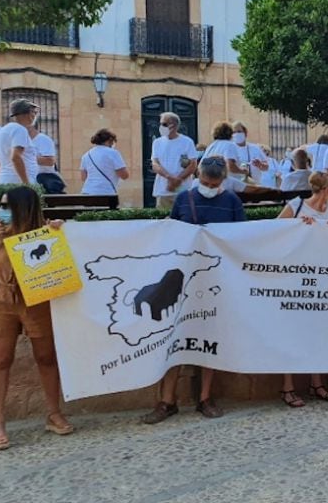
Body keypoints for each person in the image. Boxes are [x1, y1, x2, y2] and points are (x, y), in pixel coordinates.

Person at [142, 157, 245, 424]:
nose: (209, 187)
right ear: (198, 177)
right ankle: (167, 400)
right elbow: (171, 233)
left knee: (210, 337)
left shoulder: (232, 202)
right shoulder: (183, 199)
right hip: (183, 280)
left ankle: (205, 398)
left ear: (223, 180)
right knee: (176, 336)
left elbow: (243, 236)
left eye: (214, 183)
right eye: (206, 182)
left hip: (215, 279)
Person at [0, 186, 74, 450]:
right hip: (3, 301)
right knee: (0, 359)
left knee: (46, 357)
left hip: (38, 300)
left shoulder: (45, 232)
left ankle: (54, 413)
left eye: (7, 205)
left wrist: (62, 230)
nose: (2, 210)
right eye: (1, 205)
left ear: (24, 208)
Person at [276, 172, 328, 408]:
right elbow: (274, 233)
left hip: (320, 276)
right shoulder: (296, 206)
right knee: (291, 332)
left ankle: (317, 383)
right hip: (294, 277)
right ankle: (288, 387)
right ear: (327, 190)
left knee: (317, 331)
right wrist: (297, 227)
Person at [151, 112, 197, 209]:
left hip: (183, 190)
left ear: (174, 125)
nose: (161, 126)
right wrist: (170, 178)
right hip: (163, 190)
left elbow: (192, 165)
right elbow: (155, 164)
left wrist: (178, 180)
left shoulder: (187, 142)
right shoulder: (157, 142)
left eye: (164, 124)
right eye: (161, 124)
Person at [0, 99, 39, 186]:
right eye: (34, 112)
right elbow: (16, 157)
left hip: (8, 180)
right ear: (26, 113)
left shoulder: (6, 129)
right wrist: (26, 183)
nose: (35, 115)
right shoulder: (20, 130)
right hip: (18, 183)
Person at [80, 129, 129, 196]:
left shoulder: (86, 155)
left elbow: (83, 178)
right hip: (106, 192)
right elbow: (124, 175)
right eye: (113, 142)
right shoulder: (113, 153)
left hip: (87, 192)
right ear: (109, 140)